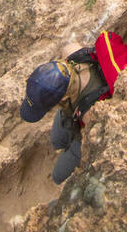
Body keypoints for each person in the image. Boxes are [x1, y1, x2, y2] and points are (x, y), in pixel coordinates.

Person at [20, 53, 107, 184]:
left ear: (63, 98)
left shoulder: (90, 114)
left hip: (83, 134)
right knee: (57, 140)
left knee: (58, 176)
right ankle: (63, 146)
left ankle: (69, 154)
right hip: (70, 113)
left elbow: (93, 143)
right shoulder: (72, 56)